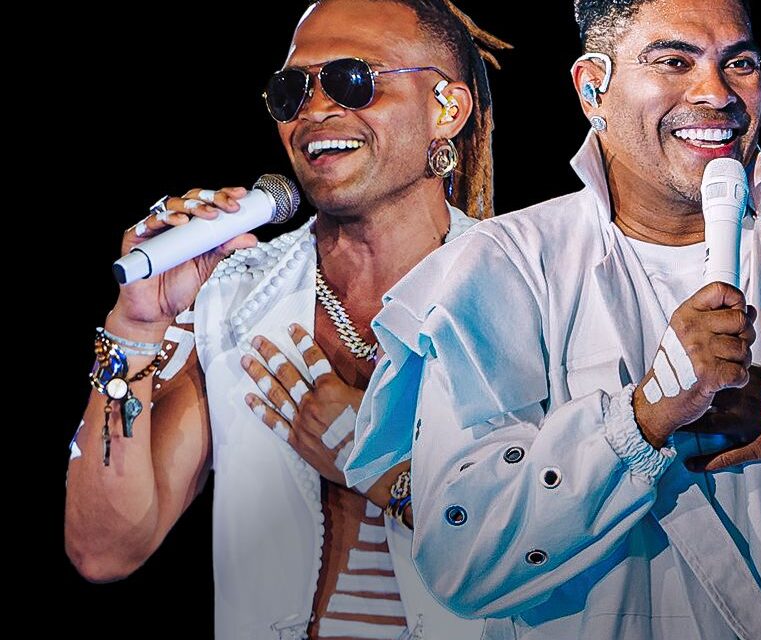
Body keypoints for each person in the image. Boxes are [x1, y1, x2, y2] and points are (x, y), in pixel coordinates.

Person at [344, 0, 761, 637]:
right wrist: (641, 420)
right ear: (592, 88)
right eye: (674, 61)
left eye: (740, 63)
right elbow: (462, 563)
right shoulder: (503, 267)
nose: (716, 94)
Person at [64, 1, 507, 637]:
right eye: (292, 89)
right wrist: (136, 326)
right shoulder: (233, 299)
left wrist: (368, 459)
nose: (315, 109)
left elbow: (568, 538)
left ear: (447, 107)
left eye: (353, 79)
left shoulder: (522, 290)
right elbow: (104, 550)